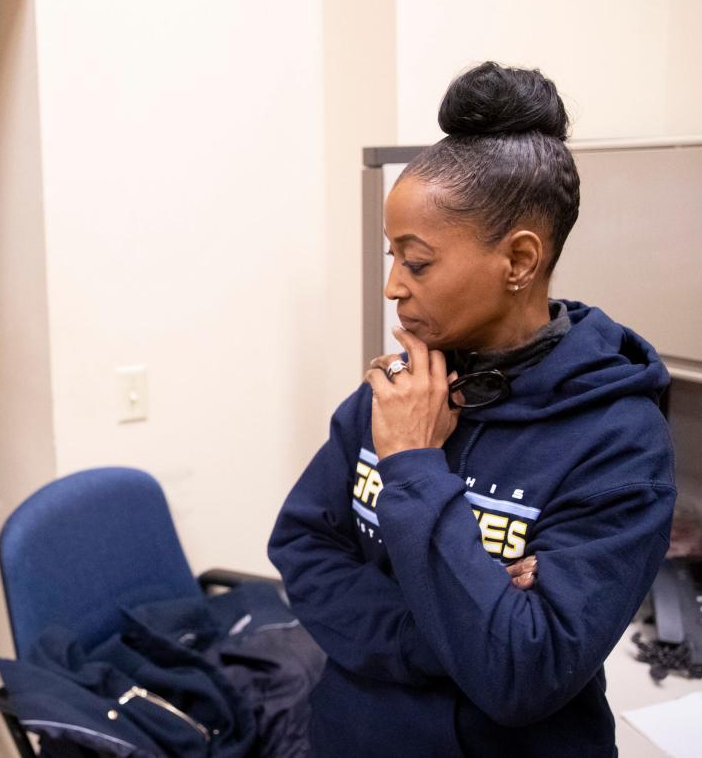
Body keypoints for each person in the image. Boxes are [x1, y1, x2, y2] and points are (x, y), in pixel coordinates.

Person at [267, 62, 676, 757]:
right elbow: (303, 546)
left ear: (518, 259)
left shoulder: (619, 440)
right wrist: (457, 632)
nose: (394, 286)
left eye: (417, 262)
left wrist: (416, 466)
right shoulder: (399, 387)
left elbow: (522, 673)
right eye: (391, 257)